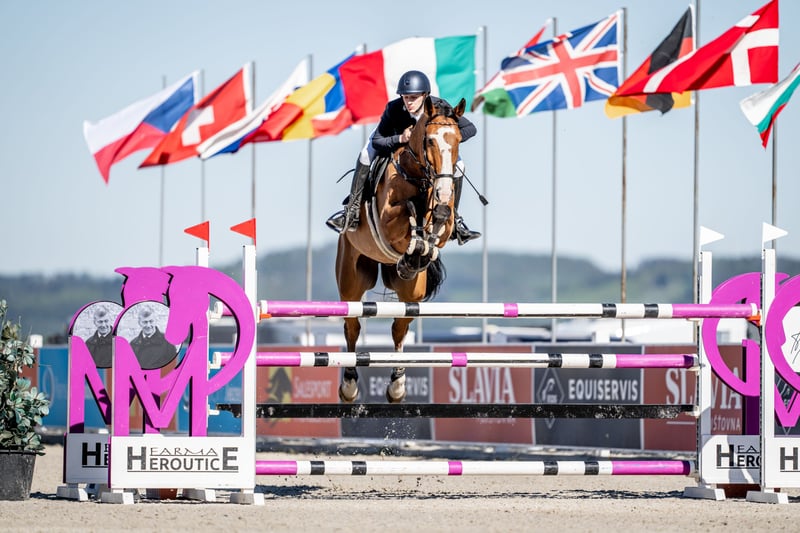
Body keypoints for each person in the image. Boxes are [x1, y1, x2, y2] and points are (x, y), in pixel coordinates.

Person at [326, 70, 481, 245]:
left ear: (425, 95)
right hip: (393, 141)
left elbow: (471, 129)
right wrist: (400, 138)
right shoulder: (393, 109)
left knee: (460, 166)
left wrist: (444, 138)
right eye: (406, 97)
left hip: (432, 147)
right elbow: (377, 141)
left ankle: (456, 220)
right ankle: (352, 210)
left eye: (414, 97)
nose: (409, 102)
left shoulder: (440, 106)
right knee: (365, 155)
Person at [130, 306, 177, 370]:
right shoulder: (133, 344)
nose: (148, 325)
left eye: (151, 321)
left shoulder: (168, 342)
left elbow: (173, 367)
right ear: (139, 323)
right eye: (145, 322)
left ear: (155, 321)